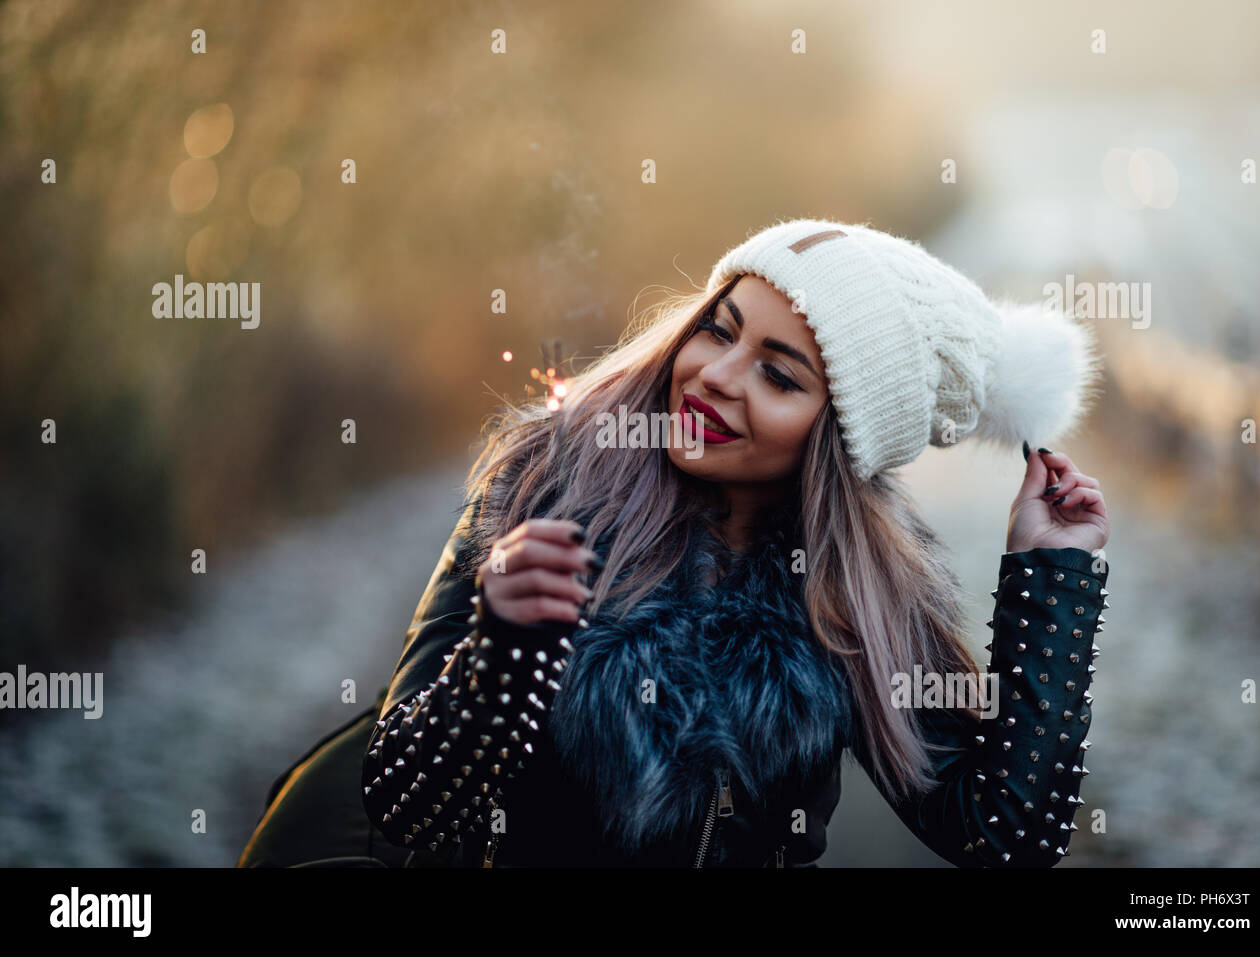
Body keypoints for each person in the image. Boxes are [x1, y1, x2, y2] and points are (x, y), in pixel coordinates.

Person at [242, 216, 1110, 868]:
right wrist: (502, 656)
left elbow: (1007, 837)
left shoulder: (859, 587)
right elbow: (408, 800)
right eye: (719, 328)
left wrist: (1054, 575)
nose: (717, 376)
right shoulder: (547, 488)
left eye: (778, 374)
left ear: (837, 442)